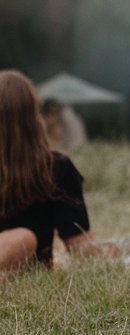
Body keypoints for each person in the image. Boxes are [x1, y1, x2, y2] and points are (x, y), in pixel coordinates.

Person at [0, 71, 94, 277]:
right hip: (26, 264)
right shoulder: (56, 168)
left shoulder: (56, 168)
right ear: (33, 116)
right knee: (22, 239)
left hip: (16, 263)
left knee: (21, 240)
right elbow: (81, 248)